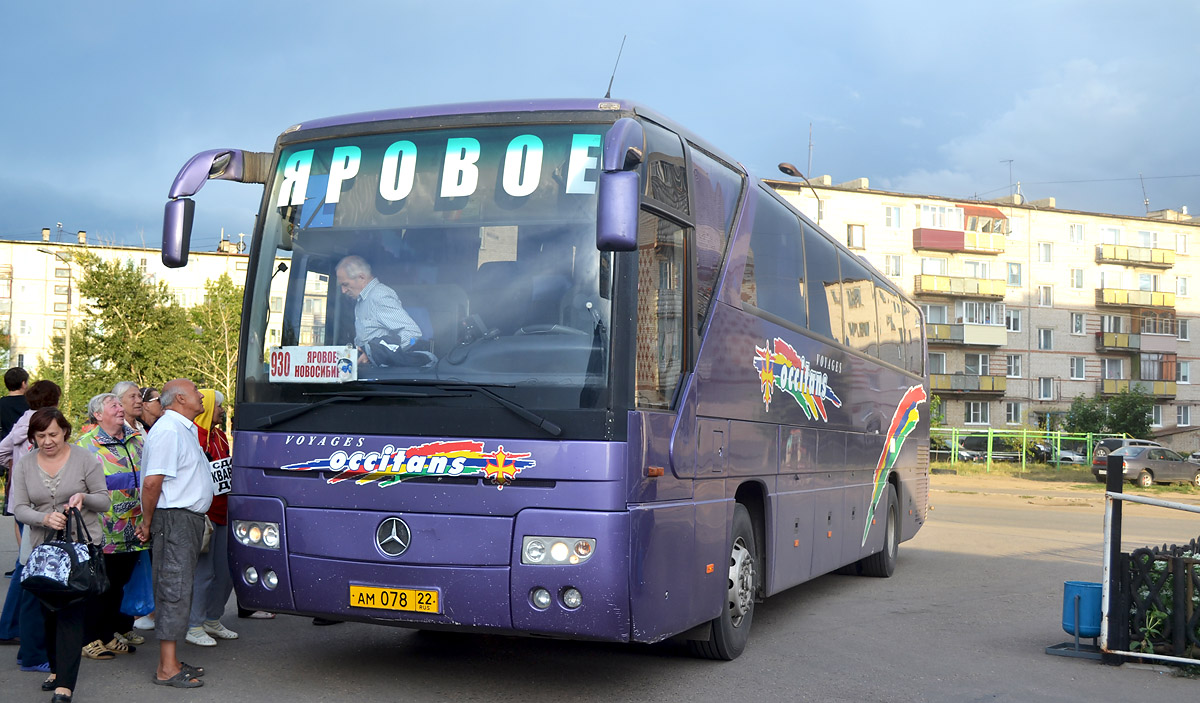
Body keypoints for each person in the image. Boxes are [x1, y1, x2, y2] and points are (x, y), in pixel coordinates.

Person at [11, 408, 111, 702]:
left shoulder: (84, 458)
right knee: (49, 612)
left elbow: (104, 501)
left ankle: (64, 686)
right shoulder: (25, 465)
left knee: (70, 613)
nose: (47, 441)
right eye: (40, 435)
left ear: (65, 431)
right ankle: (56, 668)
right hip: (44, 552)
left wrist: (83, 499)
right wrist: (44, 519)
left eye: (53, 434)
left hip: (79, 551)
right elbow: (19, 508)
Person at [134, 379, 211, 688]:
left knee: (178, 587)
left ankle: (172, 660)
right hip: (174, 520)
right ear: (180, 398)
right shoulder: (168, 430)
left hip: (183, 520)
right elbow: (153, 483)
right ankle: (167, 668)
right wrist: (148, 522)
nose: (200, 394)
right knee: (173, 588)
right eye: (195, 390)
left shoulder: (180, 428)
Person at [76, 393, 147, 658]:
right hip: (103, 530)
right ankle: (88, 638)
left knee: (119, 584)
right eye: (114, 405)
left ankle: (107, 634)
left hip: (135, 528)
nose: (121, 409)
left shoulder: (136, 440)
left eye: (120, 404)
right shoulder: (86, 445)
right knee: (99, 585)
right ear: (97, 415)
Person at [0, 381, 62, 661]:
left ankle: (12, 627)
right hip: (35, 505)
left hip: (30, 502)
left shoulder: (25, 421)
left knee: (27, 564)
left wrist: (13, 464)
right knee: (28, 566)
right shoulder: (35, 423)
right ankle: (16, 631)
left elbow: (3, 451)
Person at [185, 390, 239, 646]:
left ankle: (212, 619)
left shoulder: (218, 435)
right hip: (204, 514)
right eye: (218, 406)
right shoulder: (193, 435)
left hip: (224, 510)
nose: (222, 410)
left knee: (226, 571)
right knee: (203, 573)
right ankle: (194, 625)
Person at [335, 254, 423, 366]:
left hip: (383, 375)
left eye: (345, 284)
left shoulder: (379, 296)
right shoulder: (362, 300)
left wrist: (376, 353)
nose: (343, 291)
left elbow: (413, 335)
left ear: (361, 277)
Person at [0, 367, 29, 439]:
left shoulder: (2, 403)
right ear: (23, 384)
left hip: (5, 443)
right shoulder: (31, 402)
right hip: (27, 445)